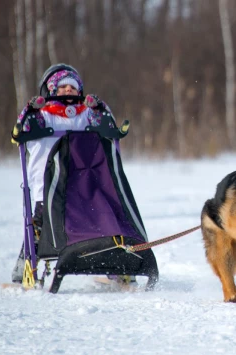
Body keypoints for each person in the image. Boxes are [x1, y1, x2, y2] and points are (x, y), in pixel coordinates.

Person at [11, 64, 140, 288]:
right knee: (39, 228)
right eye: (62, 87)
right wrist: (31, 109)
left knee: (108, 220)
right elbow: (20, 129)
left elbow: (106, 123)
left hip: (86, 188)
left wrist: (99, 107)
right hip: (49, 189)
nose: (68, 90)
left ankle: (118, 267)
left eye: (73, 87)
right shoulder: (41, 115)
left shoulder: (85, 114)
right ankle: (25, 264)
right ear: (50, 89)